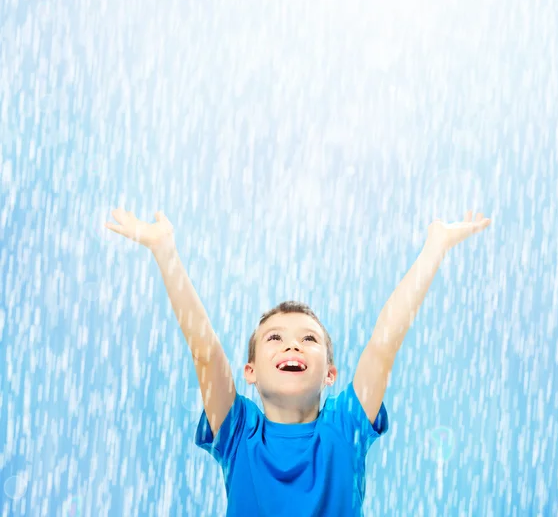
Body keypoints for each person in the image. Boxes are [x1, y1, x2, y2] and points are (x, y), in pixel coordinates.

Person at [105, 208, 491, 516]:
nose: (293, 347)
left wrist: (435, 248)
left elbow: (384, 343)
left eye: (309, 339)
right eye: (275, 338)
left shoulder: (344, 427)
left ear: (330, 374)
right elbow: (204, 353)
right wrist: (165, 253)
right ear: (250, 373)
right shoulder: (239, 432)